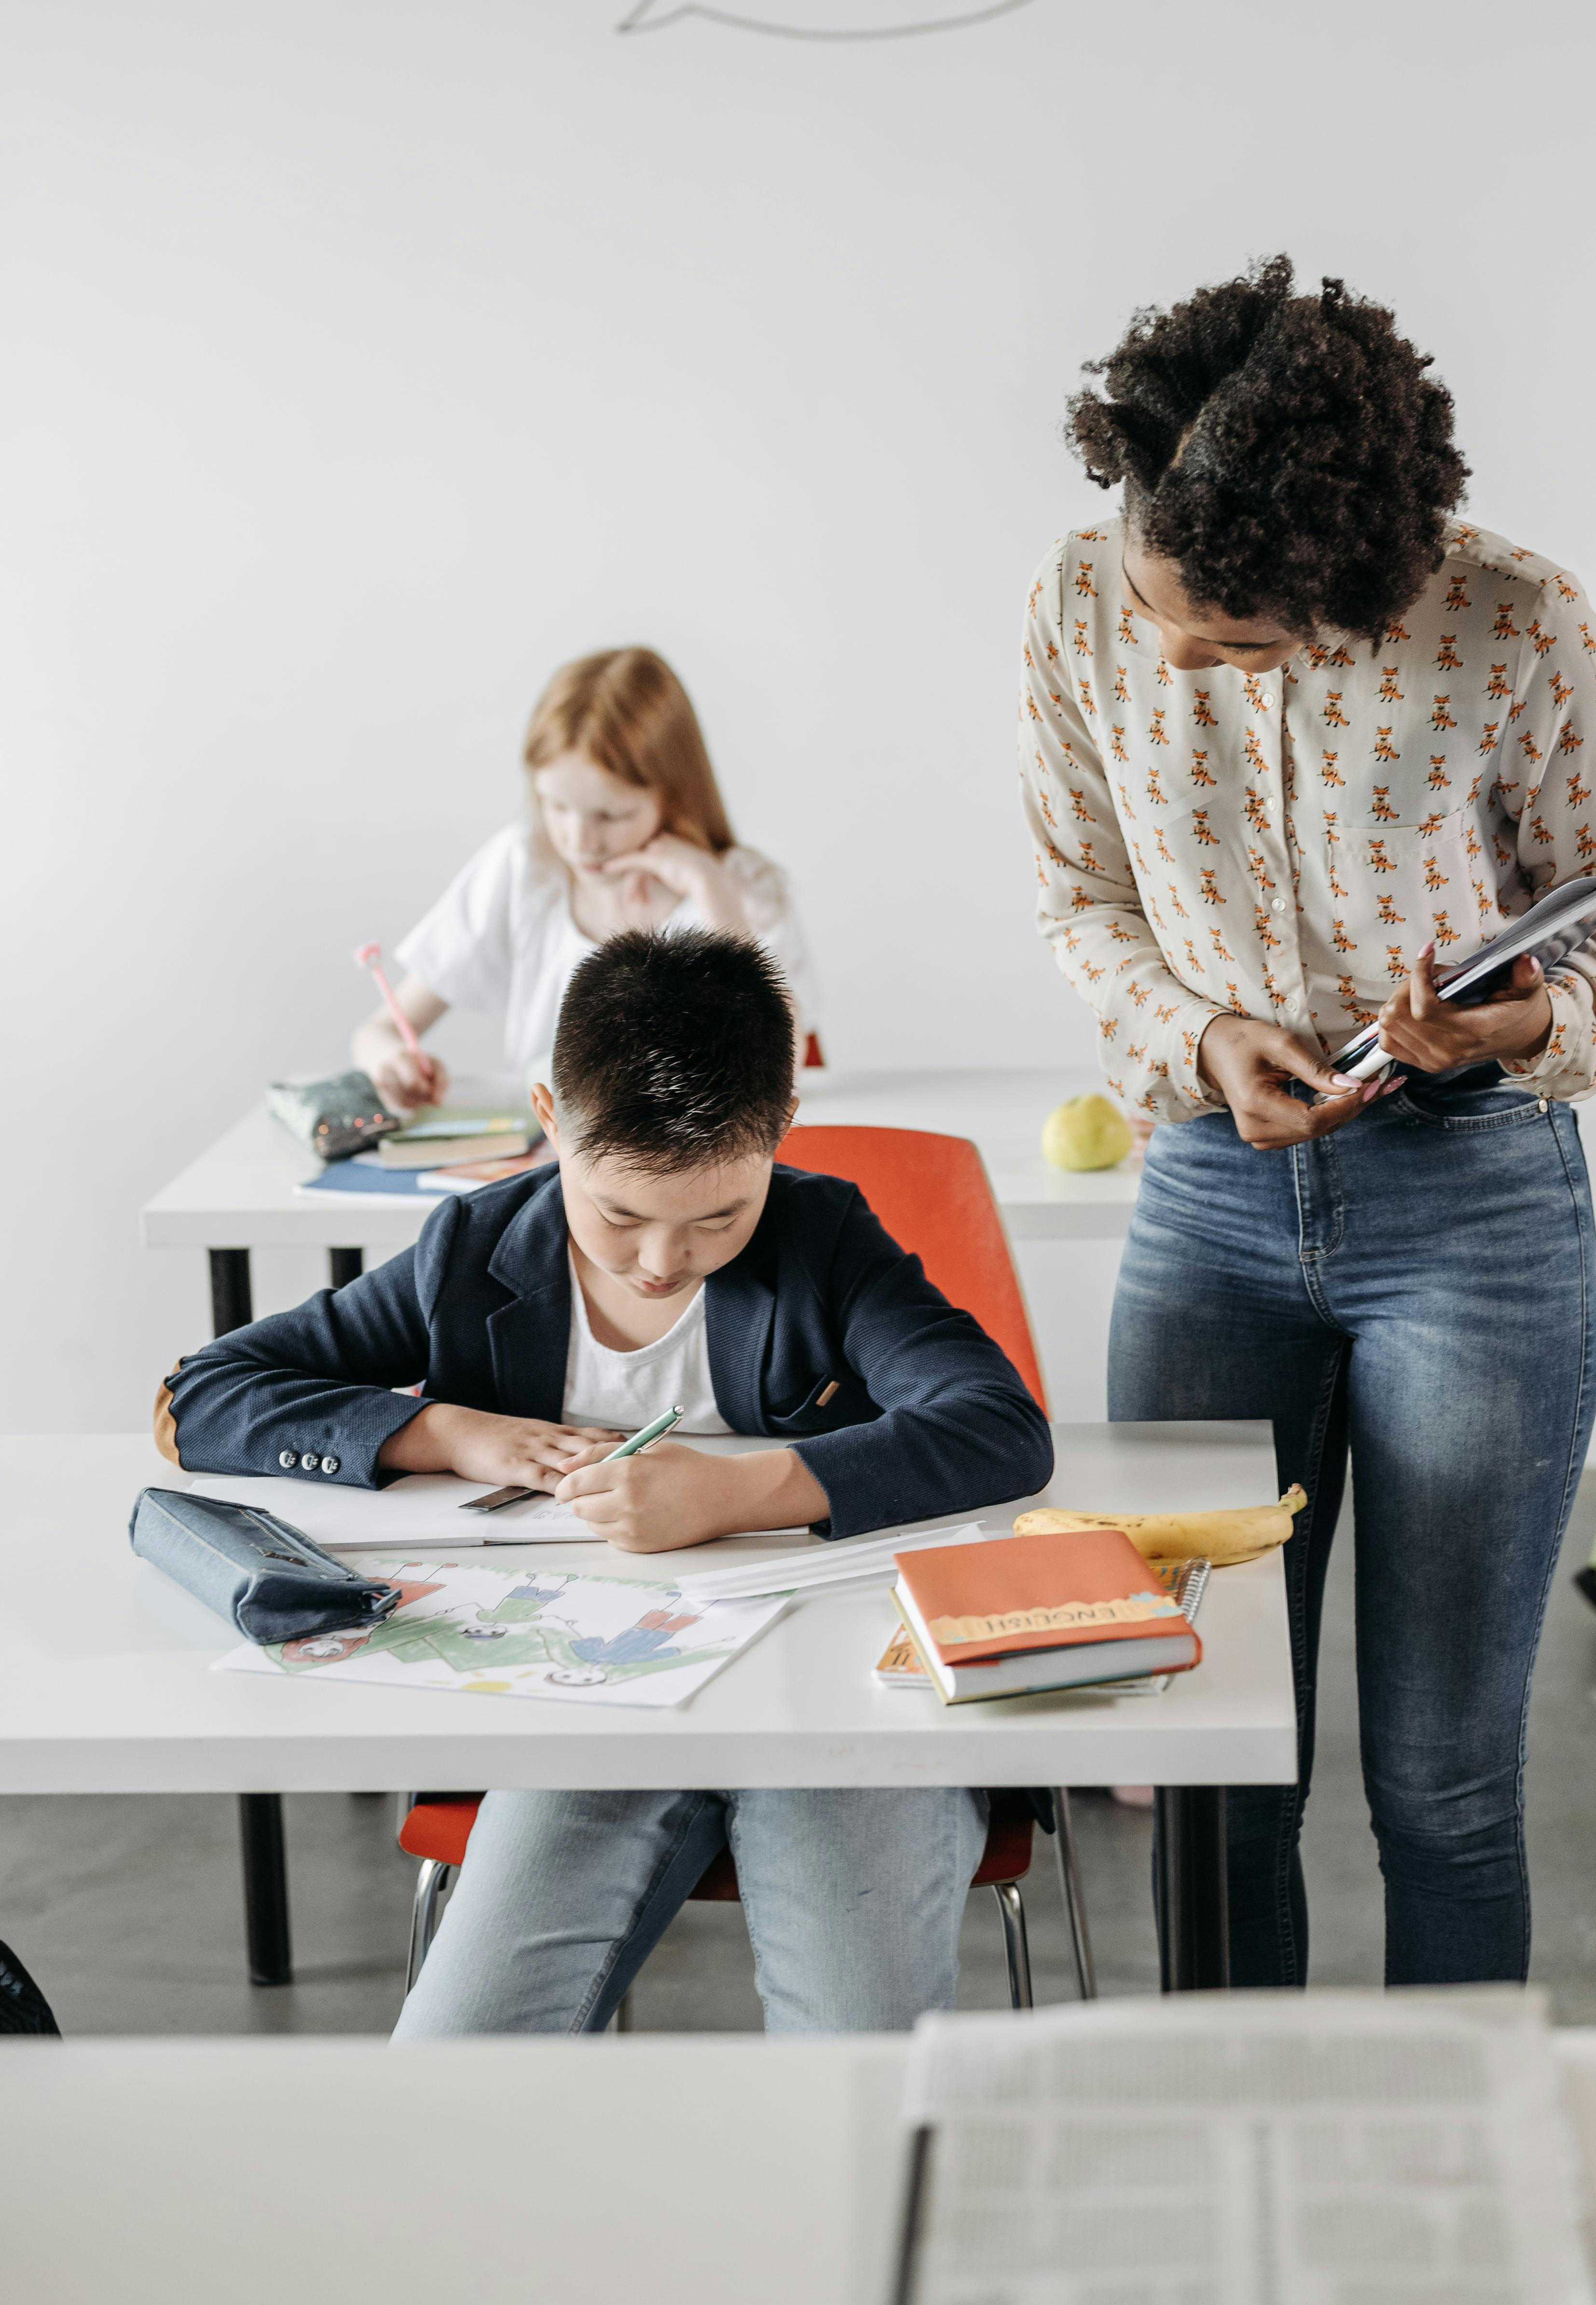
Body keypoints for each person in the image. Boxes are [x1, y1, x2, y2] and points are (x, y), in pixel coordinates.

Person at [1018, 256, 1596, 1990]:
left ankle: (1461, 2222)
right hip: (1210, 1195)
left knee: (1443, 1783)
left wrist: (1507, 1015)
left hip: (1473, 1202)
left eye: (1229, 641)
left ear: (1338, 586)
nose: (1174, 651)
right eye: (1161, 607)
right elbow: (1080, 895)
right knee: (1214, 1760)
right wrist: (1205, 1029)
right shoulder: (1076, 605)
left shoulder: (1519, 621)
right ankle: (1240, 2194)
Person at [156, 929, 1052, 2033]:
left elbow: (999, 1427)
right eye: (619, 1213)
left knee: (852, 2059)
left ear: (777, 1133)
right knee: (455, 2050)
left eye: (717, 1217)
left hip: (837, 1711)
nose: (659, 1260)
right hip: (588, 1704)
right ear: (551, 1114)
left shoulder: (823, 1241)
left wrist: (738, 1493)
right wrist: (446, 1432)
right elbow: (204, 1393)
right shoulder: (476, 1249)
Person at [353, 646, 816, 1109]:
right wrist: (390, 1061)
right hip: (547, 1164)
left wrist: (713, 892)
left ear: (674, 794)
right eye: (555, 806)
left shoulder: (745, 889)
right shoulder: (526, 866)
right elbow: (380, 1031)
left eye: (611, 815)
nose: (580, 841)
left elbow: (780, 1069)